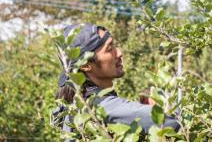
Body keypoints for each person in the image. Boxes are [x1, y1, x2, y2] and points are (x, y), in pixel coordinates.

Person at [51, 23, 180, 138]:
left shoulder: (75, 103)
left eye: (114, 46)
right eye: (109, 49)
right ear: (85, 65)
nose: (119, 53)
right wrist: (162, 104)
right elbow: (172, 122)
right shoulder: (99, 107)